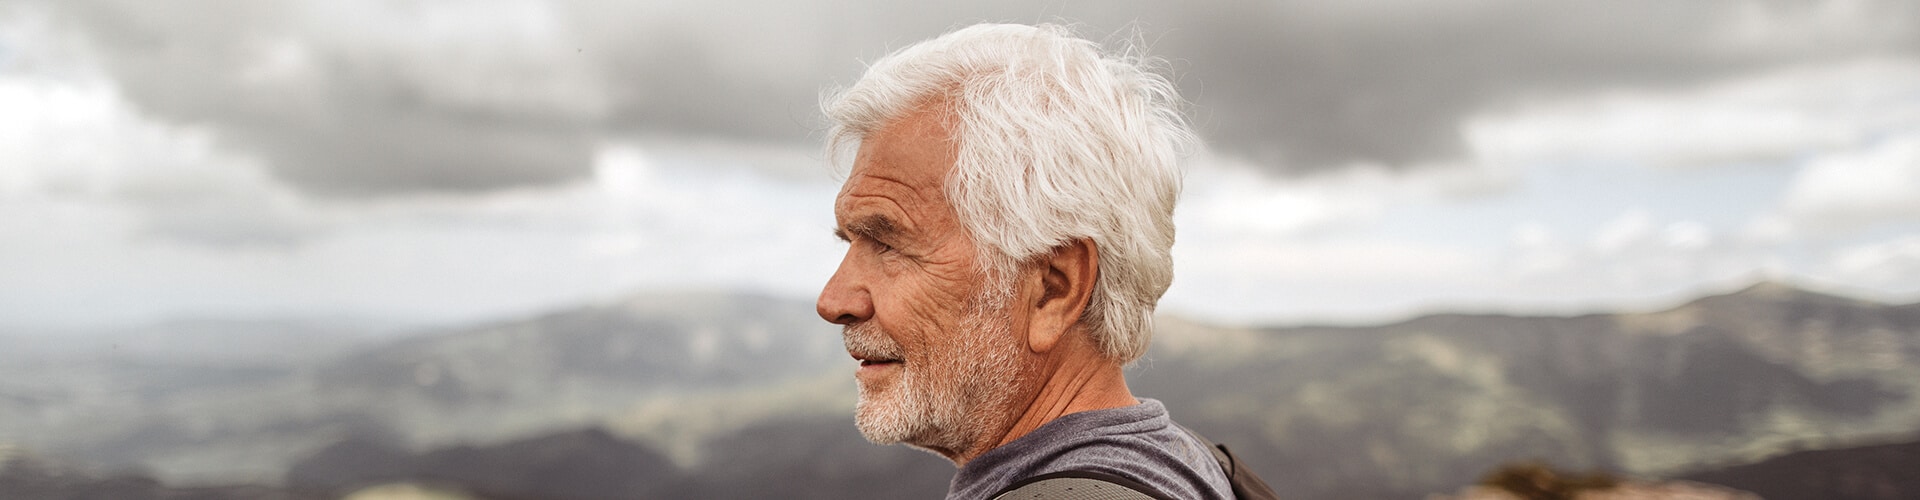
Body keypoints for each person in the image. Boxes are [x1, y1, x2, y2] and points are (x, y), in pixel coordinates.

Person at [816, 23, 1242, 499]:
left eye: (889, 245)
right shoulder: (1190, 465)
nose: (833, 301)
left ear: (1053, 290)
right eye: (848, 241)